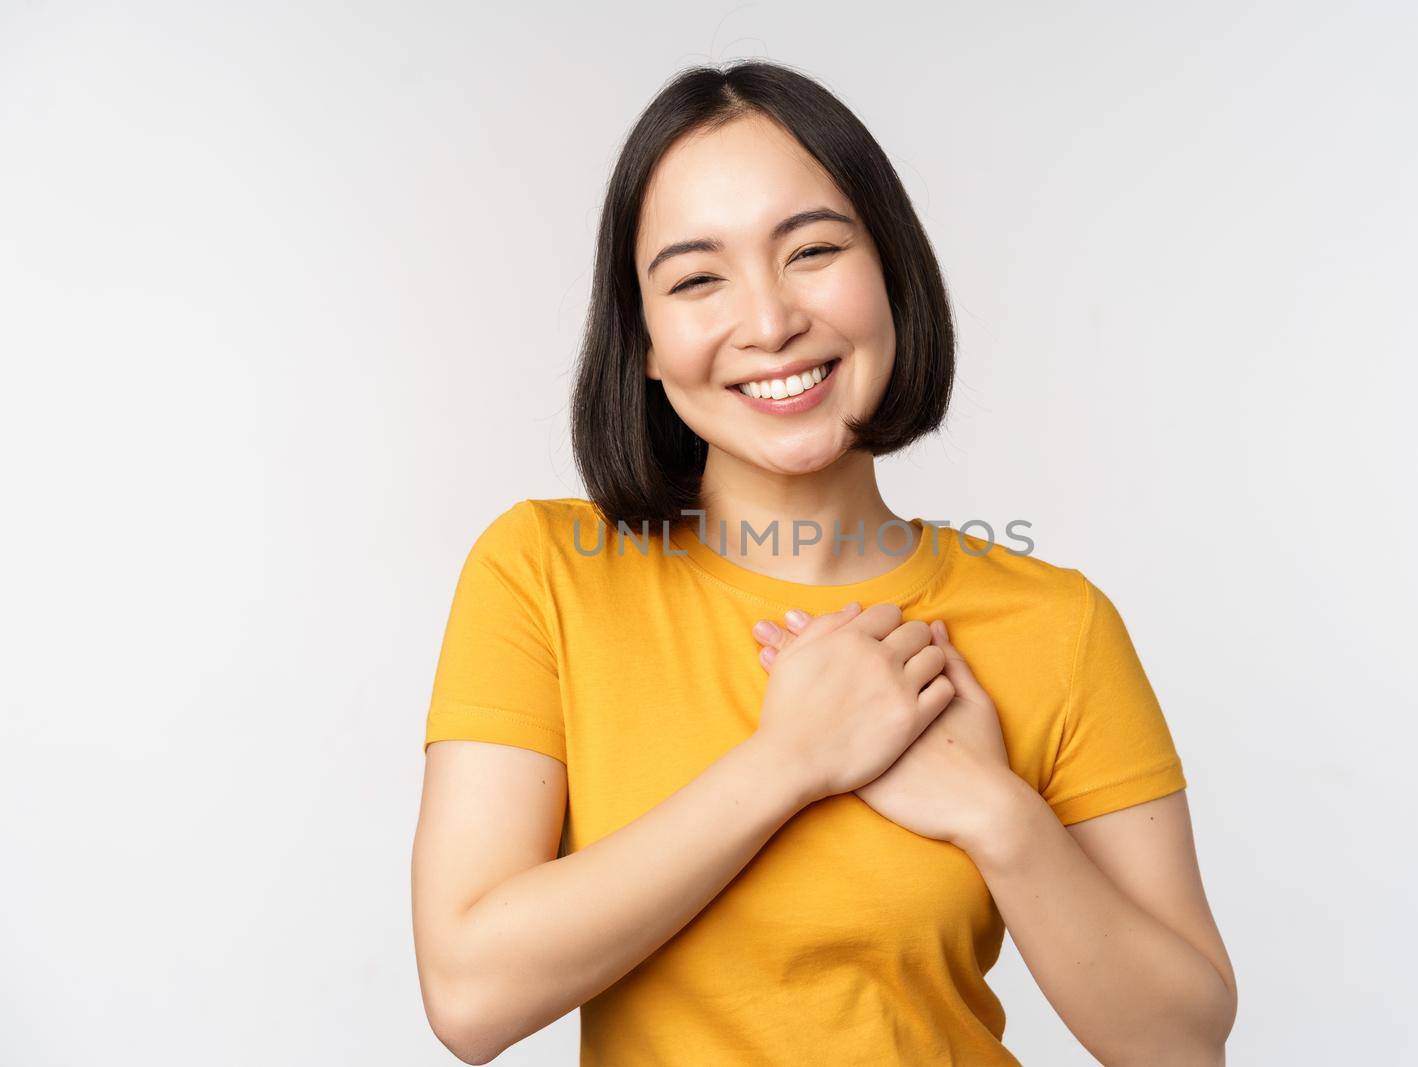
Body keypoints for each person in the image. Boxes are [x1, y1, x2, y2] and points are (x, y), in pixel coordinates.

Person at [410, 60, 1236, 1066]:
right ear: (646, 343)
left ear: (889, 268)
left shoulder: (1056, 623)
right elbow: (469, 993)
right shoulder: (545, 573)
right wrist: (790, 758)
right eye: (697, 277)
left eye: (810, 250)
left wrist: (994, 813)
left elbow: (1181, 1043)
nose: (768, 322)